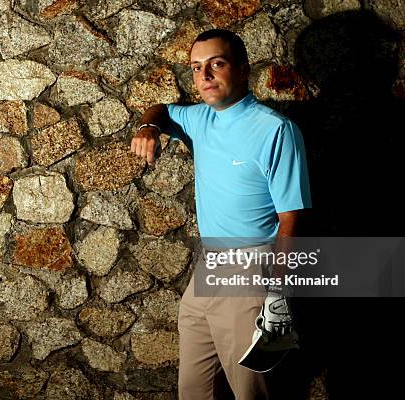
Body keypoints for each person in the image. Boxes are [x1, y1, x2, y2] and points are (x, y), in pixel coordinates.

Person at [130, 29, 312, 399]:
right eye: (197, 68)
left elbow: (292, 217)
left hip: (250, 275)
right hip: (208, 269)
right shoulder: (200, 119)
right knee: (194, 391)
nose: (205, 77)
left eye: (217, 64)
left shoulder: (276, 130)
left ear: (243, 70)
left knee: (251, 391)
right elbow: (162, 111)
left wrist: (278, 291)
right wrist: (148, 126)